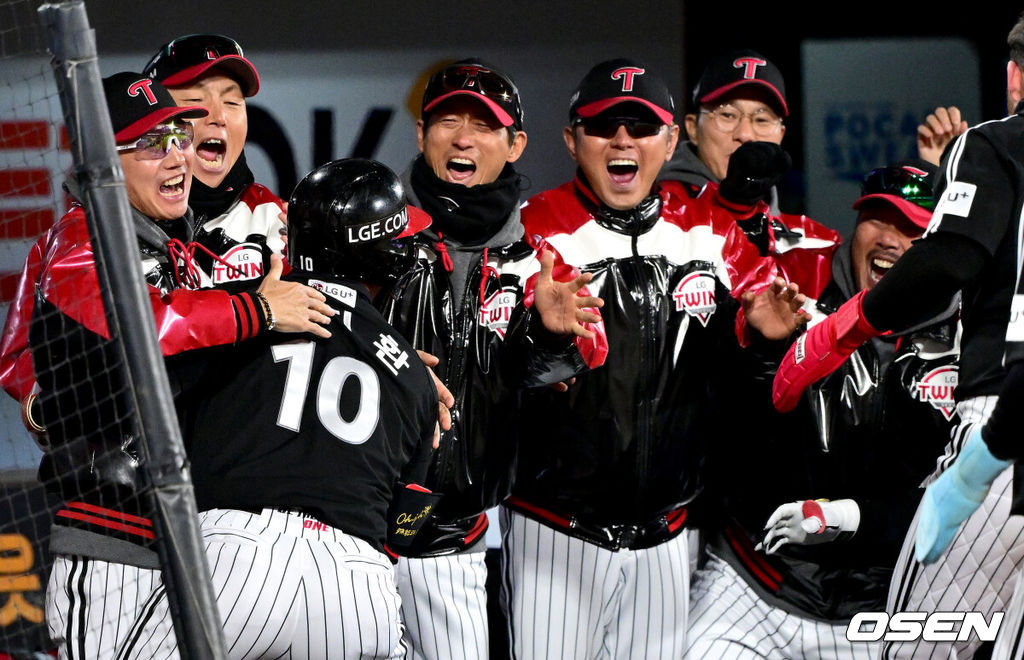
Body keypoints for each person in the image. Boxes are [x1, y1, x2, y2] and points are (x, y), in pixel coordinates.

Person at [14, 72, 334, 660]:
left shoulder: (175, 244)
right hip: (115, 538)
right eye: (150, 143)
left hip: (190, 533)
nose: (177, 156)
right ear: (97, 167)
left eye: (177, 137)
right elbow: (147, 328)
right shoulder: (83, 238)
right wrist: (259, 309)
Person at [498, 57, 809, 659]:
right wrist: (544, 336)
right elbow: (504, 380)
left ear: (669, 141)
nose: (622, 140)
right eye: (603, 125)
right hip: (553, 531)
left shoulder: (712, 234)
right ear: (570, 140)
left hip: (668, 538)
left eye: (640, 128)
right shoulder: (532, 232)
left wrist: (760, 337)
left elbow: (757, 385)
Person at [772, 12, 1024, 658]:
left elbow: (945, 265)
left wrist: (844, 327)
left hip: (1003, 429)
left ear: (1015, 77)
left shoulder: (998, 144)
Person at [126, 158, 443, 659]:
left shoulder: (229, 312)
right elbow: (408, 520)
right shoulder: (415, 377)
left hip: (233, 552)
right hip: (357, 582)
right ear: (388, 256)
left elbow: (142, 404)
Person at [684, 159, 958, 659]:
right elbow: (723, 408)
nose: (890, 240)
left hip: (875, 611)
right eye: (879, 219)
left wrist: (848, 517)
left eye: (911, 229)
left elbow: (958, 502)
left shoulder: (964, 340)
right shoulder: (797, 284)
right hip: (755, 583)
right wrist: (759, 347)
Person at [378, 58, 606, 660]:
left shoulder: (538, 261)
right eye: (447, 120)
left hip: (457, 538)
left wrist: (552, 336)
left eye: (483, 125)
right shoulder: (375, 237)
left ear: (515, 145)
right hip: (352, 529)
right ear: (422, 135)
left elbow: (550, 384)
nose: (462, 137)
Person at [142, 33, 288, 280]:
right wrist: (257, 308)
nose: (219, 117)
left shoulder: (272, 218)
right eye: (195, 101)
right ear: (154, 121)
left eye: (232, 102)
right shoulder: (115, 222)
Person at [660, 48, 788, 214]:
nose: (745, 135)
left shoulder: (793, 230)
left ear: (781, 135)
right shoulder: (660, 211)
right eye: (728, 115)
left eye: (761, 120)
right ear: (692, 128)